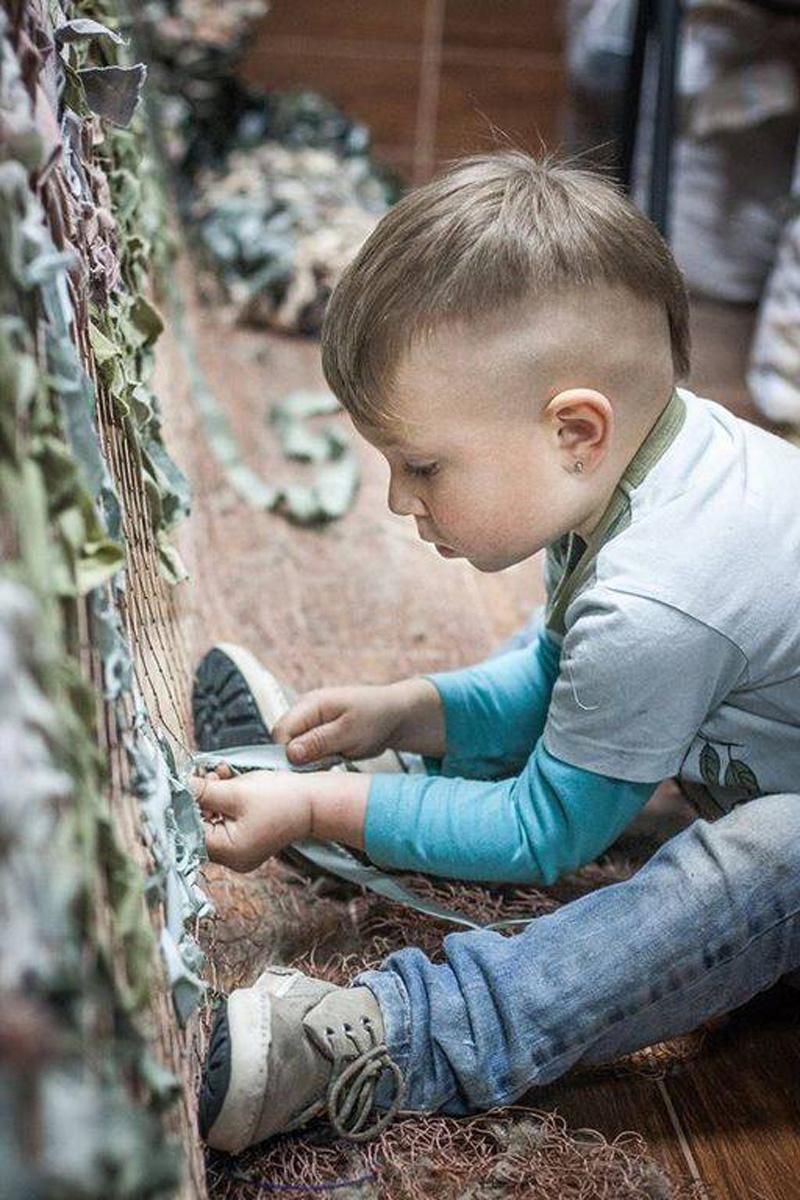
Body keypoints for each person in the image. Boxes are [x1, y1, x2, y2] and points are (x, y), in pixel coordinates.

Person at [192, 151, 800, 1156]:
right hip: (681, 678)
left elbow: (540, 833)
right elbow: (558, 671)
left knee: (760, 863)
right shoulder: (647, 458)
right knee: (579, 665)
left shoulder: (659, 596)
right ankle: (392, 777)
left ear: (571, 430)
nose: (399, 500)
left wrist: (318, 807)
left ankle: (413, 1036)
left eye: (420, 465)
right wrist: (414, 705)